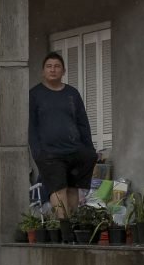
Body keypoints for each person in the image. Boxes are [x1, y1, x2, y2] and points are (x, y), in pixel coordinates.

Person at [29, 51, 97, 217]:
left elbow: (83, 123)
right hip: (49, 154)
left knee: (72, 189)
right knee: (58, 190)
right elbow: (31, 126)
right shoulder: (35, 95)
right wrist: (38, 152)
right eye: (49, 66)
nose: (53, 70)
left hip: (75, 151)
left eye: (57, 66)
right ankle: (63, 229)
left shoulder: (72, 94)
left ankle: (72, 229)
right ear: (43, 71)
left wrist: (89, 150)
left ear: (64, 71)